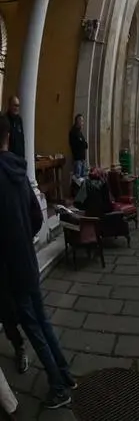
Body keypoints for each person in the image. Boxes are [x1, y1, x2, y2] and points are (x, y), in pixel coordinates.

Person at [0, 116, 76, 409]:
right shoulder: (20, 172)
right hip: (27, 261)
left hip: (10, 269)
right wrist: (23, 239)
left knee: (32, 327)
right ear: (9, 137)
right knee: (43, 323)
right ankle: (66, 376)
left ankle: (59, 387)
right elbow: (35, 216)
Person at [68, 114, 88, 179]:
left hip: (82, 159)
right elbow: (77, 145)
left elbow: (85, 145)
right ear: (77, 121)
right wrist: (83, 142)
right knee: (78, 180)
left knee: (83, 179)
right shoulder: (73, 132)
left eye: (82, 121)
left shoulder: (80, 132)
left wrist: (83, 142)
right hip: (78, 160)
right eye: (81, 120)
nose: (82, 123)